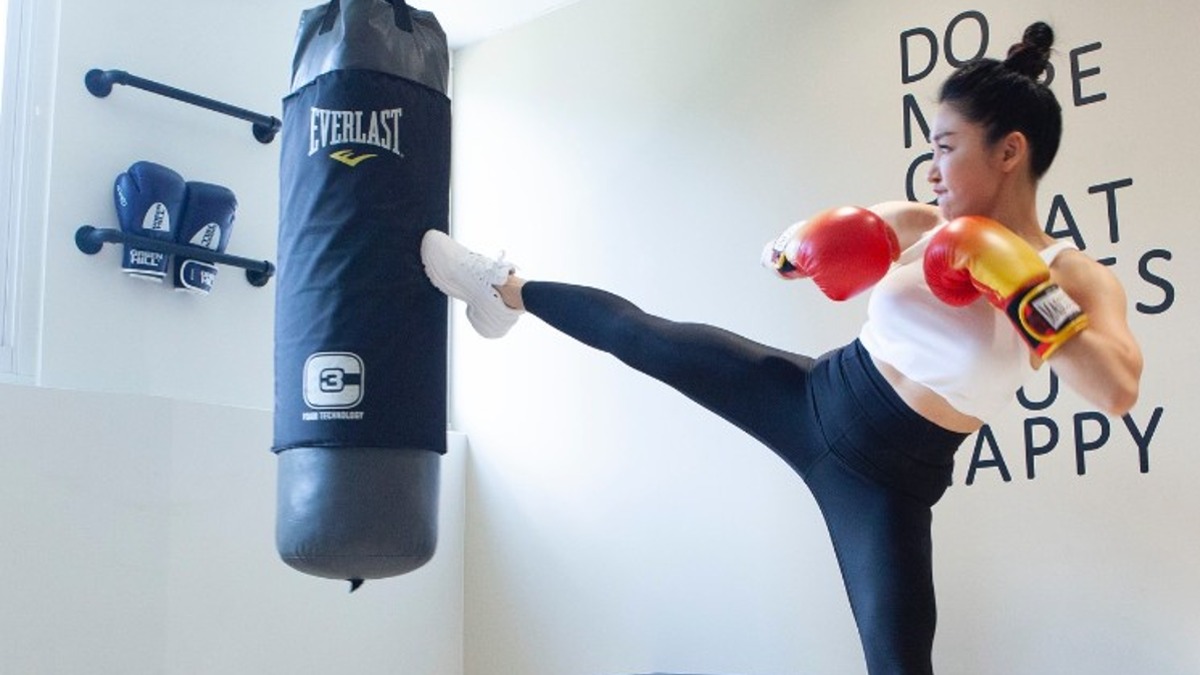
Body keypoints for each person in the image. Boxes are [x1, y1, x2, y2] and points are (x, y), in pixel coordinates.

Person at [419, 21, 1143, 675]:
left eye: (946, 149)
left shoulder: (1071, 274)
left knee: (899, 664)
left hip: (887, 485)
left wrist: (1024, 290)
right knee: (641, 336)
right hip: (812, 394)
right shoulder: (924, 222)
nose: (932, 170)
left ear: (1010, 151)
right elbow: (797, 251)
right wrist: (798, 248)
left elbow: (1116, 389)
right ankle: (501, 288)